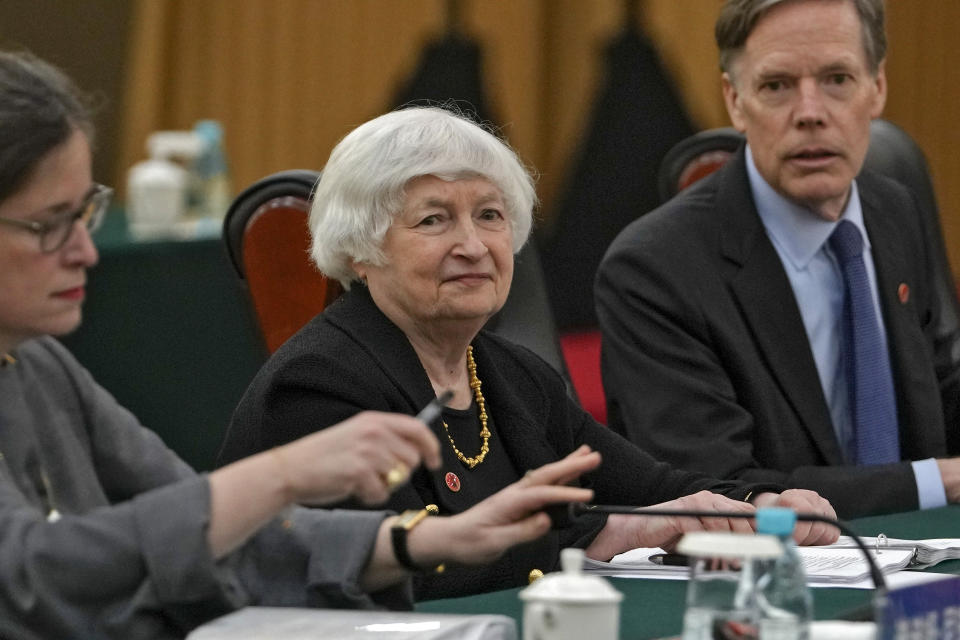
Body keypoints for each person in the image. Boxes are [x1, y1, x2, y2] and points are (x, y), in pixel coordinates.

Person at [0, 50, 611, 640]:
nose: (86, 250)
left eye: (85, 215)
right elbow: (28, 575)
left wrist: (417, 542)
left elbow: (207, 530)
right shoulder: (322, 375)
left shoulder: (37, 362)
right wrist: (283, 475)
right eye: (49, 224)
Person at [217, 105, 838, 601]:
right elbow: (402, 573)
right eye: (433, 220)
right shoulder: (319, 384)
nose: (473, 245)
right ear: (360, 249)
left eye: (490, 216)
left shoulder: (509, 374)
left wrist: (754, 505)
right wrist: (611, 533)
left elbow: (651, 488)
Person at [596, 0, 960, 520]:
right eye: (777, 86)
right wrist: (938, 481)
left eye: (837, 79)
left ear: (877, 87)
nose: (810, 112)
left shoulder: (893, 210)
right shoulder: (654, 270)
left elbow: (942, 384)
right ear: (735, 101)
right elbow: (719, 487)